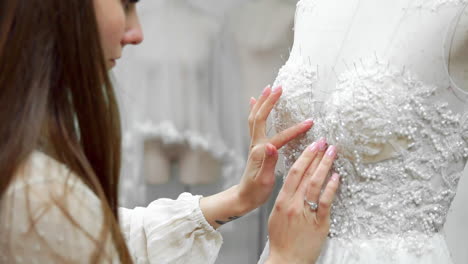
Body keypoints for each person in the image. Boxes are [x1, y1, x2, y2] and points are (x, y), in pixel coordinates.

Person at [0, 0, 339, 263]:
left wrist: (239, 198)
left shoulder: (33, 177)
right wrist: (286, 258)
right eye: (125, 4)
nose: (136, 33)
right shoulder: (35, 193)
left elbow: (111, 235)